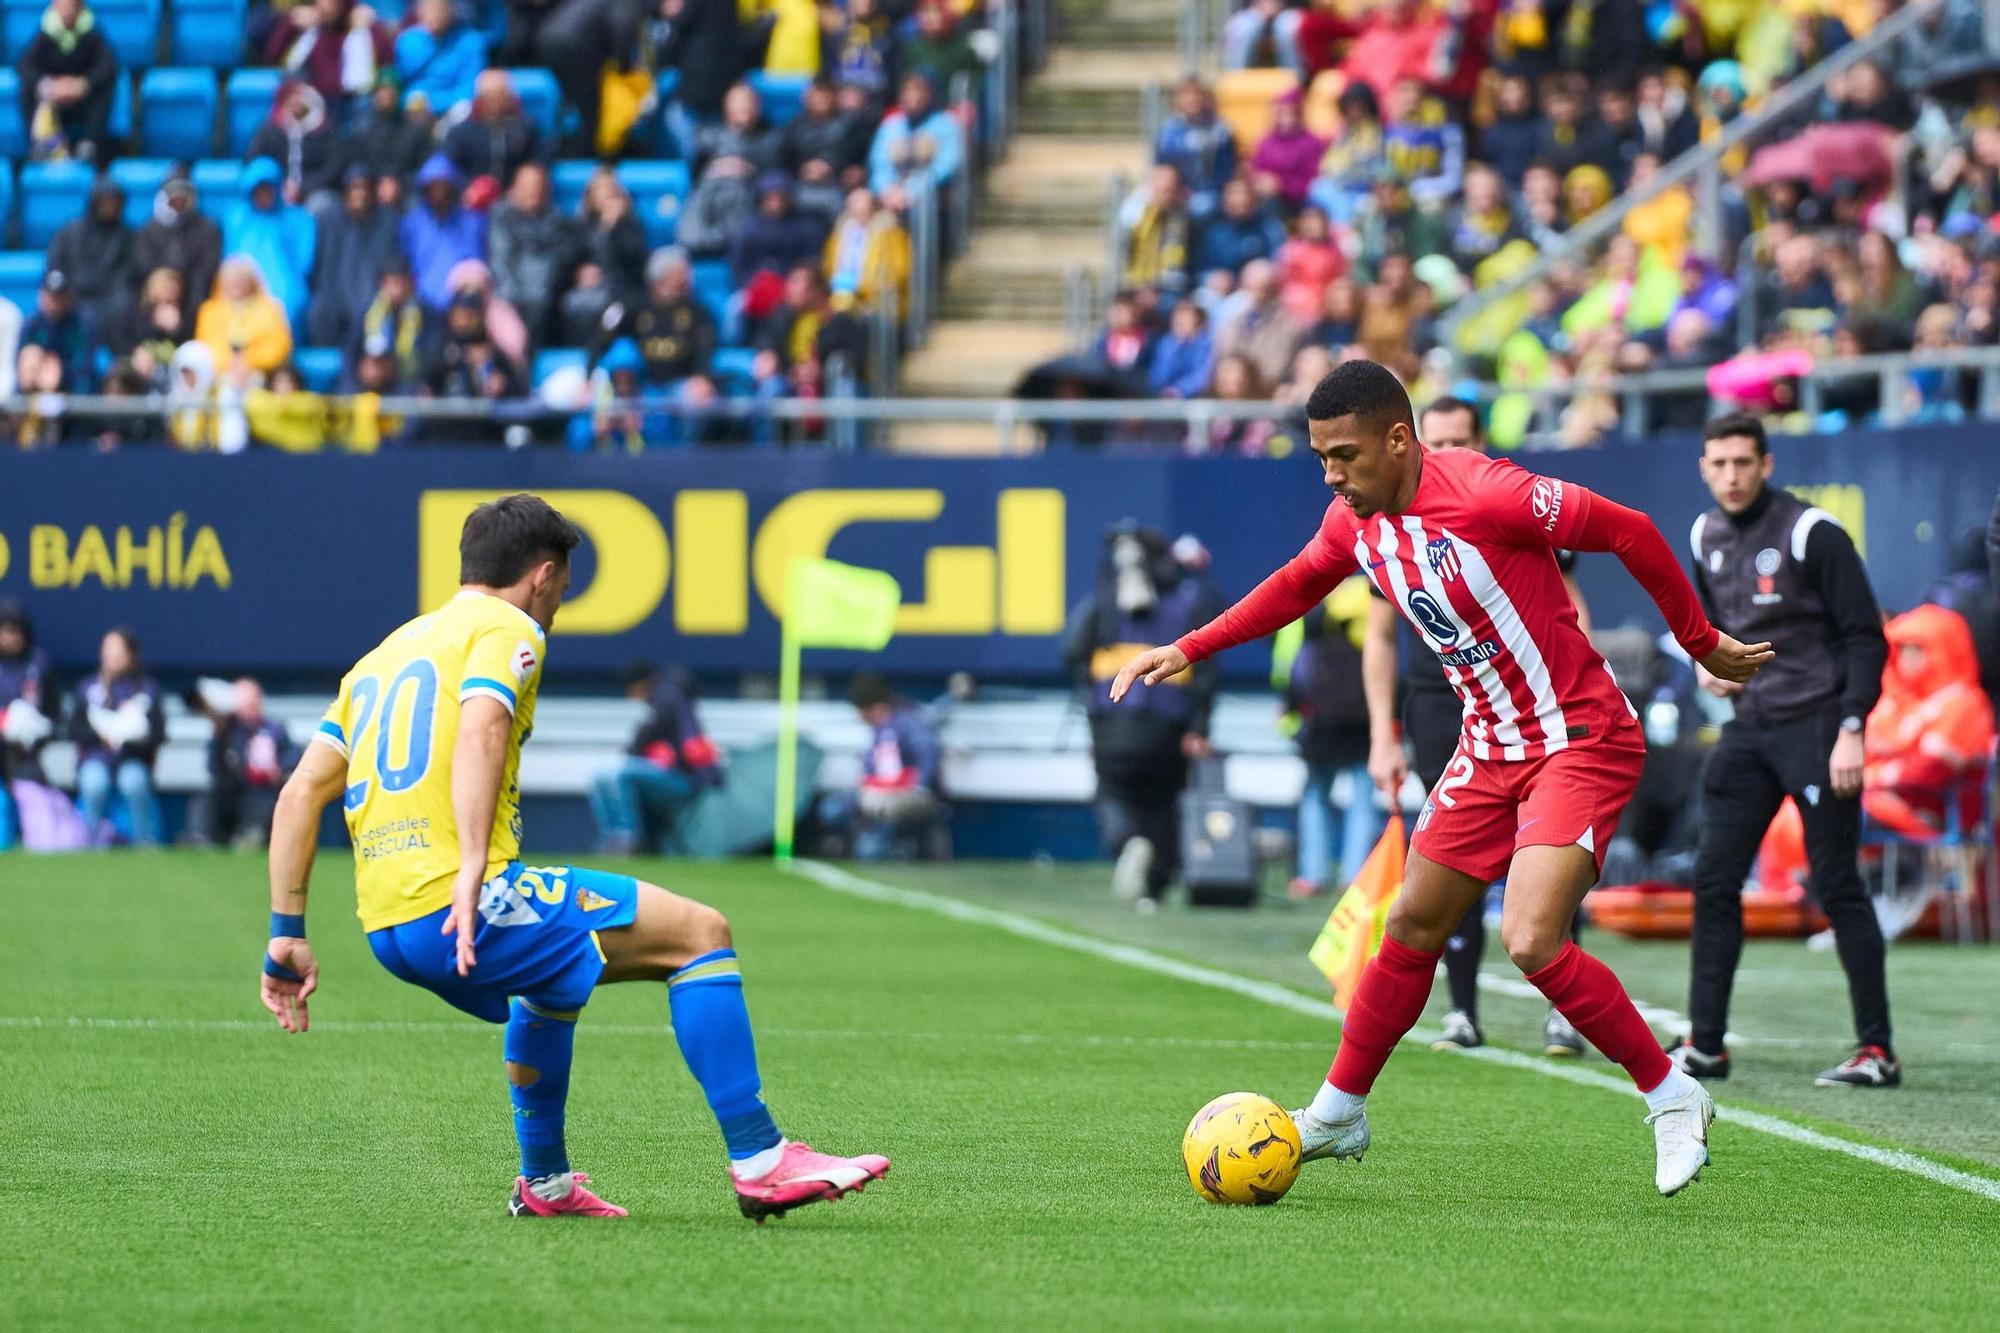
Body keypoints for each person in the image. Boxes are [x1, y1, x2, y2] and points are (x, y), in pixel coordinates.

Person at [1111, 360, 1771, 1195]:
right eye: (1320, 458)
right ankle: (1341, 1108)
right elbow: (1294, 585)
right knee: (1414, 922)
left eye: (1345, 455)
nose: (1332, 474)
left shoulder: (1490, 492)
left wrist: (1701, 638)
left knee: (1530, 938)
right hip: (1491, 743)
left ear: (1398, 438)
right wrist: (1190, 646)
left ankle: (1673, 1095)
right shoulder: (1354, 521)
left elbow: (1632, 528)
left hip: (1579, 737)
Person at [259, 494, 889, 1218]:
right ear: (543, 575)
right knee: (699, 932)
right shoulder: (508, 628)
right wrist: (471, 864)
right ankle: (762, 1157)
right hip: (463, 899)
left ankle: (546, 1183)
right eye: (562, 588)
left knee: (553, 982)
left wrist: (287, 933)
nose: (558, 604)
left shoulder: (383, 656)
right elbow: (483, 726)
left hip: (390, 925)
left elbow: (300, 792)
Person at [1361, 396, 1593, 1055]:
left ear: (1481, 441)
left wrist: (1584, 688)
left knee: (1549, 852)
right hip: (1441, 704)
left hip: (1533, 705)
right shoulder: (1387, 530)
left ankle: (1564, 1009)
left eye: (1459, 438)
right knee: (1447, 863)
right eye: (1435, 440)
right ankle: (1461, 1009)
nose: (1445, 451)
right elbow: (1379, 638)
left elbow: (1569, 605)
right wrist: (1383, 733)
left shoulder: (1509, 504)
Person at [1674, 414, 1895, 1089]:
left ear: (1767, 465)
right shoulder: (1703, 534)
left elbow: (1866, 636)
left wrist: (1853, 726)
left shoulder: (1811, 532)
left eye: (1744, 462)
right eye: (1719, 463)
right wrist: (1708, 664)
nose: (1731, 476)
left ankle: (1877, 1051)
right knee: (1713, 879)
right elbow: (1708, 632)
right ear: (1705, 468)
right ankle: (1706, 1044)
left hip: (1819, 722)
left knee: (1835, 884)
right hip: (1751, 727)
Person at [1067, 524, 1222, 909]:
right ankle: (1154, 887)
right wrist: (1199, 728)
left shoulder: (1103, 602)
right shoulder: (1188, 603)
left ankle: (1125, 842)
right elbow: (1206, 675)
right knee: (1164, 805)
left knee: (1113, 794)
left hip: (1114, 724)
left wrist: (1093, 708)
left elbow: (1071, 651)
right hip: (1168, 728)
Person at [1283, 577, 1378, 899]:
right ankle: (1353, 876)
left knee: (1316, 799)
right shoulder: (1372, 647)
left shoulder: (1312, 650)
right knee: (1361, 803)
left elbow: (1296, 685)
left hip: (1323, 732)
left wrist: (1290, 711)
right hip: (1360, 730)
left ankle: (1313, 874)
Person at [590, 662, 722, 855]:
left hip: (682, 779)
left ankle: (626, 838)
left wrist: (637, 751)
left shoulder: (667, 699)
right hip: (678, 776)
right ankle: (615, 837)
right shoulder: (670, 698)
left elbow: (645, 739)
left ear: (639, 684)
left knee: (615, 774)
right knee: (604, 774)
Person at [69, 627, 166, 847]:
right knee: (94, 782)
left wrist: (133, 735)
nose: (111, 655)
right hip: (96, 756)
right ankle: (90, 842)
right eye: (107, 649)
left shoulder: (146, 689)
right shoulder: (89, 687)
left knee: (133, 781)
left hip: (132, 757)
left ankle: (144, 841)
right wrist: (100, 736)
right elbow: (75, 728)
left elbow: (158, 732)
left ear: (131, 654)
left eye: (117, 650)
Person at [844, 671, 946, 861]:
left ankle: (896, 848)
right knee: (835, 808)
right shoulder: (877, 731)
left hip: (914, 794)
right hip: (882, 793)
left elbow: (928, 757)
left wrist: (918, 786)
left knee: (877, 826)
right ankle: (862, 842)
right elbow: (872, 769)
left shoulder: (908, 723)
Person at [305, 166, 403, 351]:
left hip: (372, 298)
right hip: (334, 296)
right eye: (355, 188)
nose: (360, 195)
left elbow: (391, 265)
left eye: (364, 188)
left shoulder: (387, 221)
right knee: (319, 312)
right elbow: (323, 266)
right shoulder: (331, 220)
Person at [191, 678, 296, 848]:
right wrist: (218, 734)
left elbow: (291, 758)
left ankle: (250, 837)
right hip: (233, 790)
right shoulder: (228, 731)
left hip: (264, 791)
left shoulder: (274, 729)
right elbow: (213, 767)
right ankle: (200, 838)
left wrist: (279, 771)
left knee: (263, 806)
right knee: (205, 801)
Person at [16, 0, 118, 162]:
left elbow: (108, 65)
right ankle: (42, 145)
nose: (68, 10)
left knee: (105, 85)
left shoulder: (91, 32)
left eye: (73, 5)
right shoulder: (45, 33)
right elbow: (25, 65)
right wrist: (48, 86)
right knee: (27, 87)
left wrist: (84, 84)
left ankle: (90, 144)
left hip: (83, 102)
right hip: (53, 103)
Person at [489, 162, 577, 345]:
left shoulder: (557, 220)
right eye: (528, 187)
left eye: (538, 187)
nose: (534, 192)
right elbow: (501, 261)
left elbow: (564, 257)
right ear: (515, 189)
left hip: (548, 293)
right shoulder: (502, 218)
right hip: (512, 295)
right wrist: (510, 297)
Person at [133, 173, 224, 328]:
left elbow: (208, 267)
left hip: (194, 296)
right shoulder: (148, 230)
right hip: (158, 299)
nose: (179, 200)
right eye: (173, 195)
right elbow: (144, 267)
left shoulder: (208, 228)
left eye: (183, 195)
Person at [0, 600, 55, 851]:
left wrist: (35, 732)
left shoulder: (38, 663)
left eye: (14, 631)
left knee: (30, 787)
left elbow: (53, 713)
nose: (9, 637)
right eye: (4, 630)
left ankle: (34, 839)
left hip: (27, 752)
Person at [46, 177, 132, 328]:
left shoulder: (126, 236)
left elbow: (126, 274)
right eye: (105, 201)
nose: (110, 207)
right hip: (73, 297)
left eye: (114, 202)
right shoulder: (70, 232)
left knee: (125, 303)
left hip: (110, 299)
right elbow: (56, 268)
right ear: (95, 202)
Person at [442, 70, 545, 188]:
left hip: (514, 198)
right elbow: (449, 168)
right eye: (491, 96)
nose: (497, 101)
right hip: (470, 199)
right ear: (480, 98)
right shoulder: (460, 133)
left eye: (502, 95)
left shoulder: (526, 128)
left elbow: (539, 160)